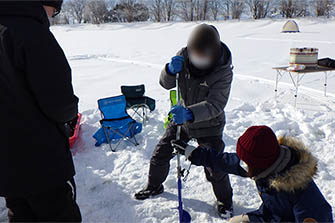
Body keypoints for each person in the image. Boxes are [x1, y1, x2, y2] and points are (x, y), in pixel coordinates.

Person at [135, 24, 235, 218]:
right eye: (195, 54)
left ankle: (225, 201)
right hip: (182, 120)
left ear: (213, 54)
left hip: (209, 124)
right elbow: (165, 84)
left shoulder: (223, 71)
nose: (198, 59)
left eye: (203, 56)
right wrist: (170, 71)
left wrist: (190, 113)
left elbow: (216, 104)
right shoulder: (183, 55)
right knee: (160, 153)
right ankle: (154, 186)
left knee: (214, 166)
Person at [0, 1, 82, 222]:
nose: (52, 17)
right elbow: (60, 104)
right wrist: (70, 111)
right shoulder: (33, 33)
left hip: (7, 166)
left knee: (19, 214)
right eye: (54, 10)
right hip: (41, 162)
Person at [172, 125, 333, 222]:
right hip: (268, 218)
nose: (241, 165)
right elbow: (225, 161)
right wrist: (192, 153)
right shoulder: (266, 163)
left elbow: (320, 215)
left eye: (245, 162)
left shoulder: (305, 196)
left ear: (260, 165)